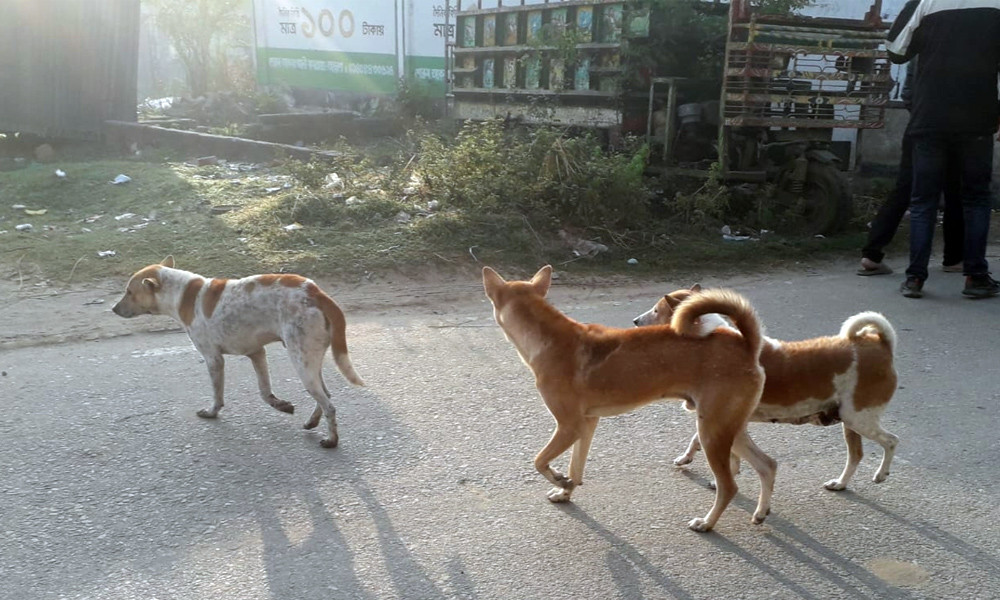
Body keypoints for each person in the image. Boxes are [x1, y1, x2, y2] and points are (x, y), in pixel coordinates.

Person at [886, 0, 1000, 298]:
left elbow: (896, 51)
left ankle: (915, 279)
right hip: (977, 119)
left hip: (930, 117)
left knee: (923, 200)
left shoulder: (926, 1)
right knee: (976, 198)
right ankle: (975, 277)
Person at [858, 56, 964, 276]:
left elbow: (907, 94)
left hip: (919, 125)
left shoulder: (921, 51)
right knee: (954, 190)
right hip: (953, 130)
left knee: (904, 189)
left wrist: (920, 114)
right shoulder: (963, 46)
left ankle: (872, 253)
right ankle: (953, 258)